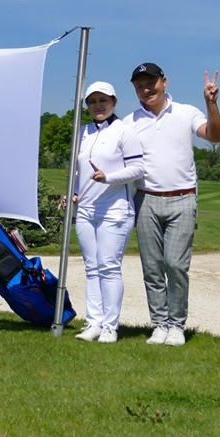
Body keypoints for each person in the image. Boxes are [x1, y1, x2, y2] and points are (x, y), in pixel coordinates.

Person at [124, 62, 220, 346]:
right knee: (152, 268)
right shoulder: (129, 123)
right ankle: (159, 325)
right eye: (139, 86)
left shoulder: (186, 112)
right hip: (146, 200)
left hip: (182, 198)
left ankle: (176, 325)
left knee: (176, 265)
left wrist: (211, 103)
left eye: (150, 83)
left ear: (164, 82)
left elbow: (215, 136)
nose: (146, 90)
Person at [72, 82, 144, 344]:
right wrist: (75, 193)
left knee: (109, 268)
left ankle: (110, 327)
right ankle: (93, 322)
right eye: (92, 101)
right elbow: (78, 171)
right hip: (86, 209)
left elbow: (137, 169)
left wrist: (109, 178)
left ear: (114, 102)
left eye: (103, 100)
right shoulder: (82, 132)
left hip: (115, 209)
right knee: (92, 268)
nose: (98, 105)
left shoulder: (124, 131)